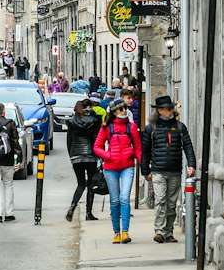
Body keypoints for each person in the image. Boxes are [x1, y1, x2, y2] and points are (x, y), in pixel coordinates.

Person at [141, 95, 196, 244]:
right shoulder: (151, 128)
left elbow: (188, 146)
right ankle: (159, 230)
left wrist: (192, 164)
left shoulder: (179, 127)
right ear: (159, 111)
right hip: (158, 170)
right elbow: (145, 151)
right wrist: (145, 170)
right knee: (160, 200)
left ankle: (168, 231)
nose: (171, 110)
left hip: (175, 170)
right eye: (167, 108)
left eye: (171, 108)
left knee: (171, 203)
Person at [94, 99, 142, 244]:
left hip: (127, 166)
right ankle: (116, 232)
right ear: (114, 112)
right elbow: (97, 147)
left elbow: (138, 148)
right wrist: (108, 155)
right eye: (121, 109)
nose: (124, 111)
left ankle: (125, 232)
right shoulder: (107, 127)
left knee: (124, 198)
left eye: (125, 108)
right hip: (110, 168)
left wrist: (142, 164)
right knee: (114, 200)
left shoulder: (131, 127)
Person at [64, 99, 100, 222]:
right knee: (91, 184)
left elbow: (69, 140)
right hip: (90, 155)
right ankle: (88, 212)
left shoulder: (71, 122)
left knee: (80, 184)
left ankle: (72, 206)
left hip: (76, 154)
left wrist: (71, 155)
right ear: (88, 107)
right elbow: (96, 138)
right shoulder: (94, 120)